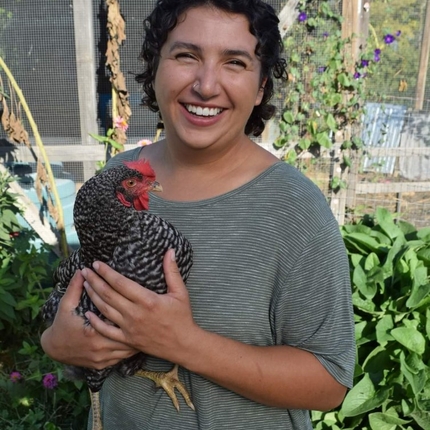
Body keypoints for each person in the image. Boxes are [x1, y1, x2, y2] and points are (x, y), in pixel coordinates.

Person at [41, 0, 355, 429]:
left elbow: (330, 382)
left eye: (235, 62)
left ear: (261, 86)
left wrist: (184, 343)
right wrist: (59, 343)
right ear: (155, 66)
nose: (206, 85)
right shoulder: (119, 179)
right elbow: (78, 292)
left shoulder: (293, 207)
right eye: (186, 55)